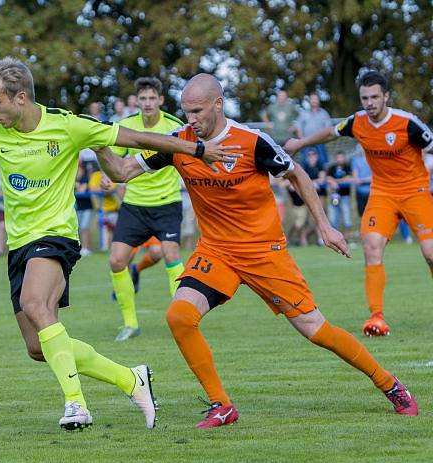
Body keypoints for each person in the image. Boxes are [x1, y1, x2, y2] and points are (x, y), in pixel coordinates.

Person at [0, 57, 237, 431]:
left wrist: (196, 150)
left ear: (20, 98)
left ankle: (76, 404)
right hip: (19, 245)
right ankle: (131, 379)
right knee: (37, 347)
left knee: (34, 302)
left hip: (56, 237)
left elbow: (139, 139)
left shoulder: (67, 126)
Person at [96, 73, 418, 428]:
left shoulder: (252, 142)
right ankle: (221, 405)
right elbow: (123, 171)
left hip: (265, 253)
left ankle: (389, 383)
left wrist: (325, 226)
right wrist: (98, 143)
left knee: (316, 329)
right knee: (179, 317)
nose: (191, 120)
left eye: (198, 111)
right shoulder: (180, 143)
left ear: (217, 104)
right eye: (186, 112)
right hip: (216, 252)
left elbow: (297, 175)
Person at [284, 71, 433, 336]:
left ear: (386, 96)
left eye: (375, 96)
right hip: (382, 194)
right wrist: (302, 142)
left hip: (415, 192)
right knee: (372, 246)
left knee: (431, 253)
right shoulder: (357, 122)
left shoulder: (407, 123)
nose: (370, 102)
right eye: (365, 98)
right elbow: (332, 132)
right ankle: (376, 318)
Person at [107, 76, 185, 341]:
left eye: (153, 98)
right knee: (117, 260)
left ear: (161, 100)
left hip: (167, 203)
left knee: (169, 251)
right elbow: (113, 162)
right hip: (135, 205)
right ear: (136, 101)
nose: (148, 103)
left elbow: (188, 160)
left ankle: (183, 318)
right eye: (143, 98)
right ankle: (130, 324)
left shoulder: (174, 126)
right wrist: (110, 178)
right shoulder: (125, 127)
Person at [294, 93, 332, 165]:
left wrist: (322, 139)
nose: (314, 101)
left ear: (318, 101)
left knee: (323, 162)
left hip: (320, 142)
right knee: (305, 163)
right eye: (312, 99)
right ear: (309, 101)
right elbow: (298, 127)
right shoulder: (303, 113)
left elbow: (328, 129)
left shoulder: (324, 113)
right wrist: (302, 140)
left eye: (316, 99)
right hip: (306, 142)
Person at [326, 151, 354, 239]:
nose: (340, 159)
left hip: (345, 196)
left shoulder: (347, 167)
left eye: (341, 157)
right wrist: (333, 181)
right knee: (333, 218)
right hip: (334, 196)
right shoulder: (331, 168)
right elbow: (328, 178)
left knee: (347, 218)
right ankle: (336, 239)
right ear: (335, 158)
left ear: (344, 158)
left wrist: (336, 181)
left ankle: (347, 239)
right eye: (338, 157)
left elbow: (349, 178)